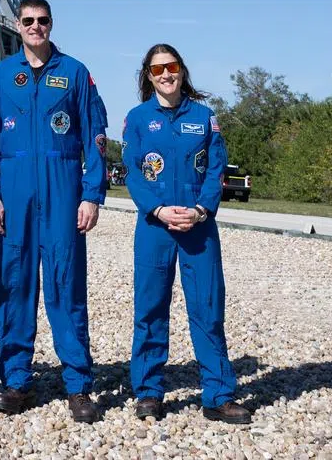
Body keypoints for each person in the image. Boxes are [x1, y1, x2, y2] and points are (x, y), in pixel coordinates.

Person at [0, 0, 109, 422]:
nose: (36, 27)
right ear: (18, 25)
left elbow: (95, 136)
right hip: (15, 193)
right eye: (28, 20)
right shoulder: (1, 75)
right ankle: (16, 380)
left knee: (66, 284)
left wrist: (92, 195)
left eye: (42, 20)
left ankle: (78, 384)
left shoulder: (74, 73)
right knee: (14, 284)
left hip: (62, 189)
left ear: (51, 24)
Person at [120, 44, 251, 424]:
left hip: (198, 227)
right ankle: (148, 391)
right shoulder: (138, 119)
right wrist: (158, 209)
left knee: (208, 309)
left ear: (182, 70)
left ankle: (218, 394)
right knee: (150, 309)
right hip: (155, 227)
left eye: (172, 66)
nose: (166, 74)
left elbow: (216, 169)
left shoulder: (204, 117)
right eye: (157, 69)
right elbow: (132, 171)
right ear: (148, 76)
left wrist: (200, 210)